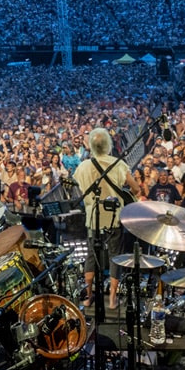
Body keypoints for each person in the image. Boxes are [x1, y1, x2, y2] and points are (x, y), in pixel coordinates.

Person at [72, 127, 134, 311]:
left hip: (92, 218)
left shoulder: (82, 167)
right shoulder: (118, 165)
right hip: (114, 218)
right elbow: (136, 189)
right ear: (108, 146)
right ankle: (113, 299)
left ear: (90, 146)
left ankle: (88, 296)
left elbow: (80, 188)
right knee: (115, 255)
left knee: (91, 256)